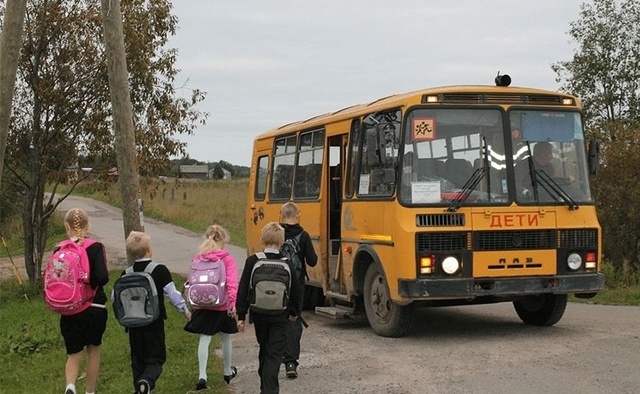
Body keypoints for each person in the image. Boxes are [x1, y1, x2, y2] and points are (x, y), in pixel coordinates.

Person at [122, 231, 191, 394]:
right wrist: (185, 311)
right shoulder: (159, 271)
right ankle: (147, 381)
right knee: (156, 358)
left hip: (133, 324)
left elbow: (115, 296)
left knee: (137, 360)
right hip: (154, 322)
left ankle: (140, 387)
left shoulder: (126, 273)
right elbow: (172, 294)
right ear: (148, 250)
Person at [236, 222, 302, 394]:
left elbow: (243, 288)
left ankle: (265, 385)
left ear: (262, 239)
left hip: (259, 314)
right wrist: (295, 313)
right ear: (282, 241)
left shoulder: (253, 260)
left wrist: (241, 315)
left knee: (264, 348)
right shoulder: (286, 263)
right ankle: (269, 390)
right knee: (274, 353)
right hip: (280, 315)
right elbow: (296, 291)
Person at [58, 208, 109, 394]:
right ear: (88, 226)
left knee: (73, 353)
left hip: (70, 308)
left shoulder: (60, 249)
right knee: (93, 350)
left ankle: (70, 385)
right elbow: (103, 277)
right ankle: (89, 391)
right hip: (94, 306)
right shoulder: (95, 247)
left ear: (66, 227)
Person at [184, 224, 239, 390]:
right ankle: (227, 371)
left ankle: (202, 375)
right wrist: (233, 303)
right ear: (222, 240)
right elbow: (232, 283)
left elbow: (191, 281)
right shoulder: (226, 258)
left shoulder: (199, 257)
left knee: (205, 338)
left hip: (203, 305)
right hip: (221, 305)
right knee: (225, 338)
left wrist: (192, 303)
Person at [279, 202, 317, 379]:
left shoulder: (276, 233)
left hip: (277, 283)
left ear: (281, 215)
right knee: (293, 321)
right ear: (298, 215)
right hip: (296, 285)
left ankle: (273, 358)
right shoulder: (304, 235)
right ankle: (291, 362)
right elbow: (312, 261)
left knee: (277, 321)